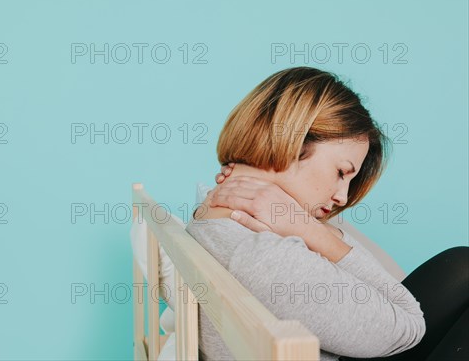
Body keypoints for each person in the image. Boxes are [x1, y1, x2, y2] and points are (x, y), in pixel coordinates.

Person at [187, 66, 468, 360]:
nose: (342, 196)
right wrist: (310, 230)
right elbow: (409, 326)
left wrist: (303, 223)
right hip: (383, 339)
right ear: (293, 142)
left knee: (462, 264)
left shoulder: (215, 209)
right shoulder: (265, 255)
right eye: (340, 172)